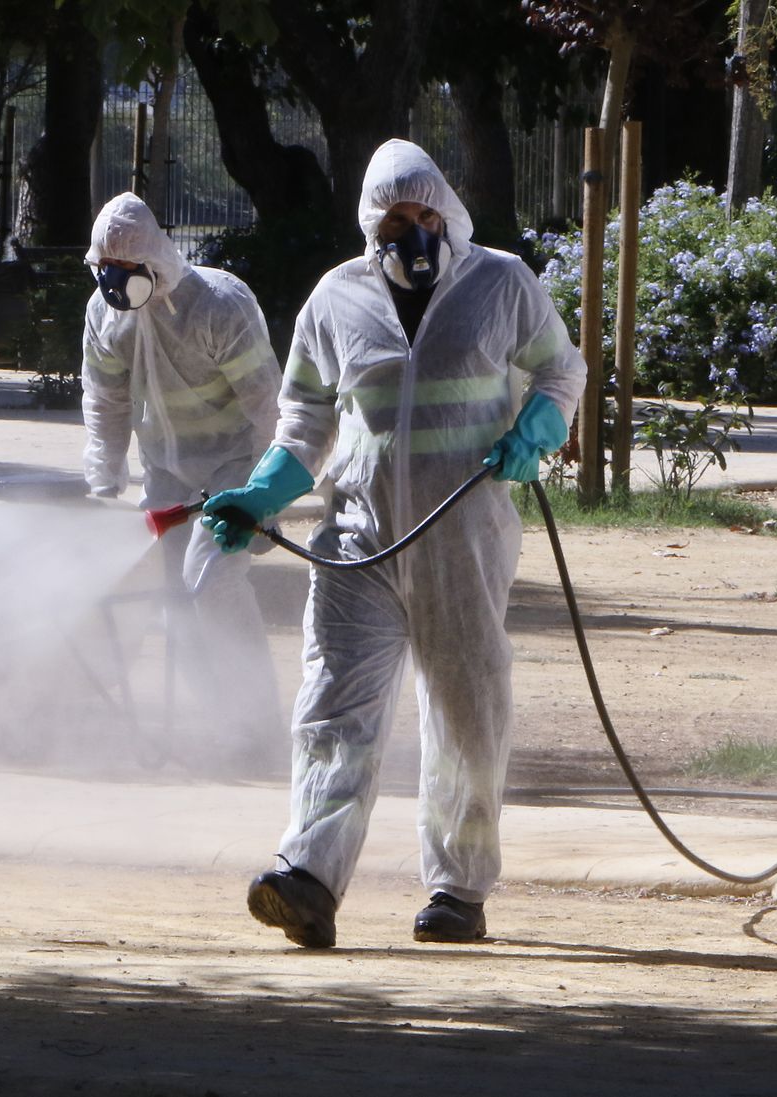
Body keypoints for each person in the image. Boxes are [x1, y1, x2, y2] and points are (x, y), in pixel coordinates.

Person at [202, 139, 586, 947]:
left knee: (465, 706)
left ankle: (457, 886)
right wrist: (263, 494)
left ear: (445, 214)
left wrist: (537, 429)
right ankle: (307, 873)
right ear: (369, 226)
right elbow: (304, 421)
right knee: (334, 703)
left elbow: (561, 370)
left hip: (463, 530)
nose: (409, 233)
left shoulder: (499, 282)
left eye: (421, 216)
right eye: (391, 220)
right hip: (356, 535)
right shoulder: (335, 300)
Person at [81, 191, 285, 761]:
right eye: (106, 270)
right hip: (167, 471)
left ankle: (258, 726)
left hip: (235, 464)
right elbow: (105, 402)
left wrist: (267, 495)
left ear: (154, 264)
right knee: (168, 595)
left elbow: (269, 408)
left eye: (127, 271)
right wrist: (102, 482)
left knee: (211, 580)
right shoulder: (105, 315)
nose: (116, 283)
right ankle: (223, 725)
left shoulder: (218, 307)